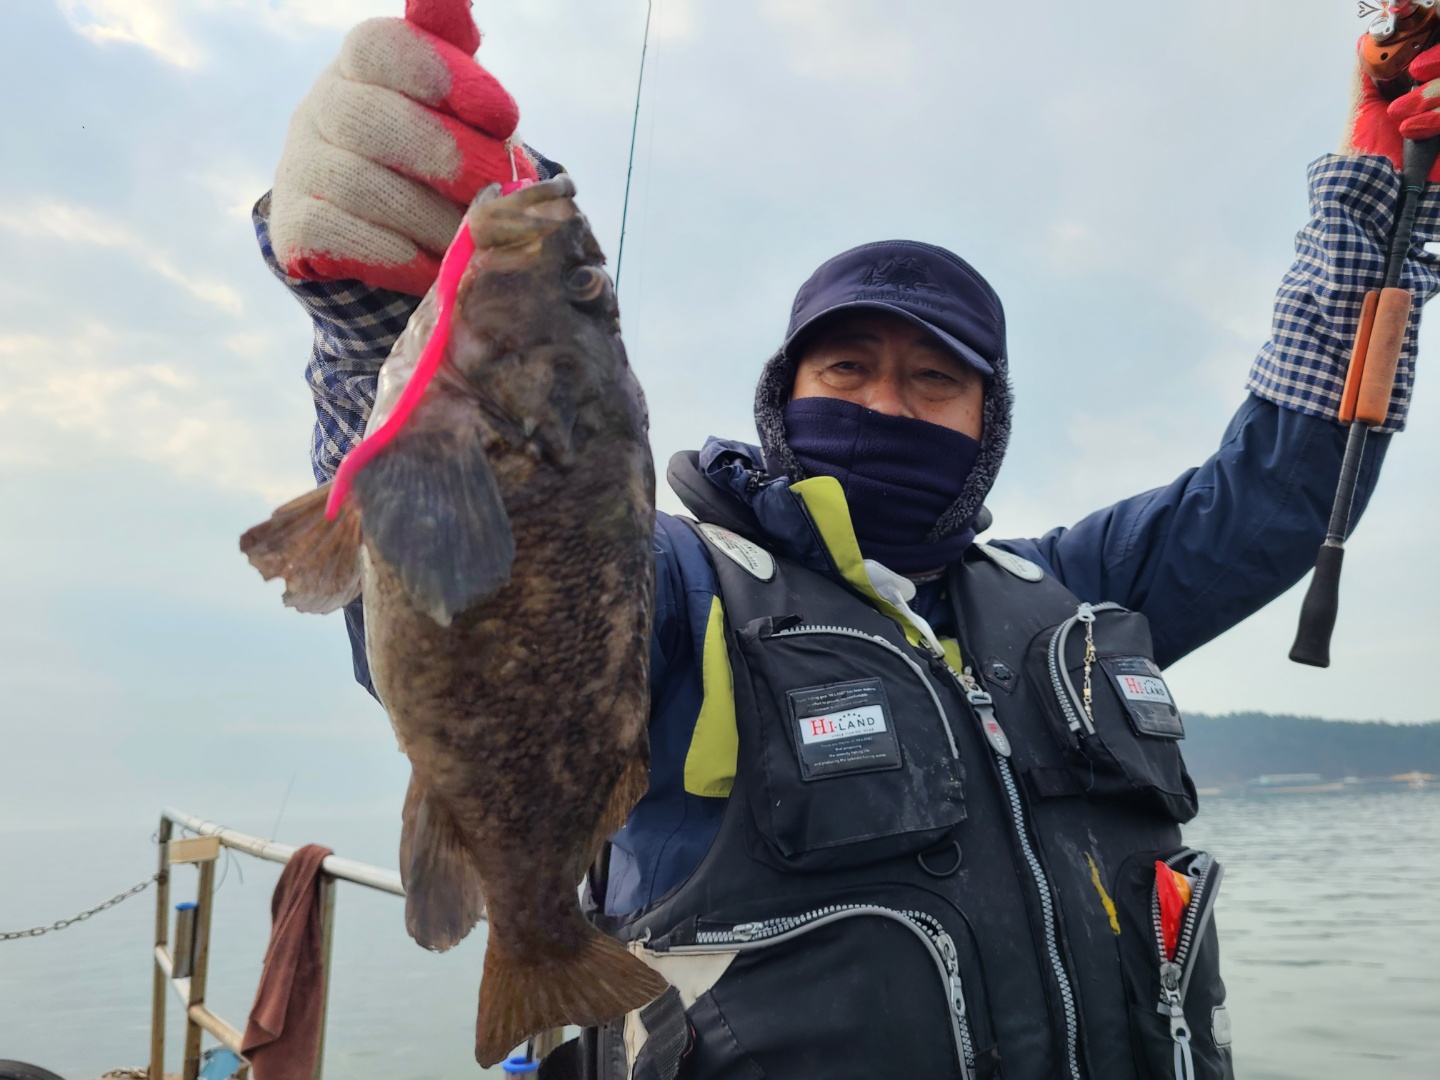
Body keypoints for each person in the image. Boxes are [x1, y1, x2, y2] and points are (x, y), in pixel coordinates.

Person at [255, 4, 1440, 1078]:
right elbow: (469, 565)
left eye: (934, 380)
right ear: (784, 397)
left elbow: (1284, 487)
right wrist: (378, 315)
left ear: (989, 422)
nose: (885, 404)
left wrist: (1377, 190)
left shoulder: (1073, 597)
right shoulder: (680, 588)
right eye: (848, 368)